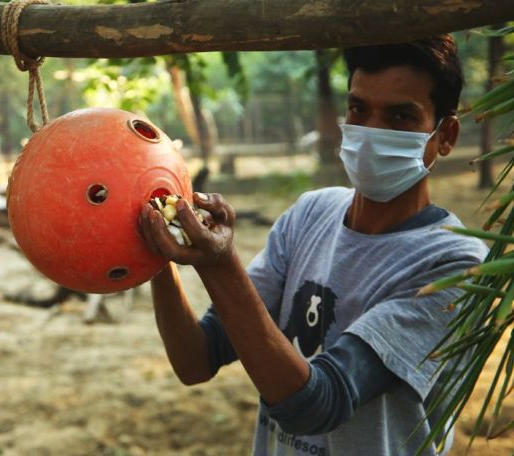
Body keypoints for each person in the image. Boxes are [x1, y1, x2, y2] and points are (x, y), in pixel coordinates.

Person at [138, 35, 488, 456]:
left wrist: (219, 264)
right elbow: (196, 359)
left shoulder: (454, 263)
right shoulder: (310, 214)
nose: (371, 132)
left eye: (400, 117)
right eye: (359, 109)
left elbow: (317, 405)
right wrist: (159, 249)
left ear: (445, 135)